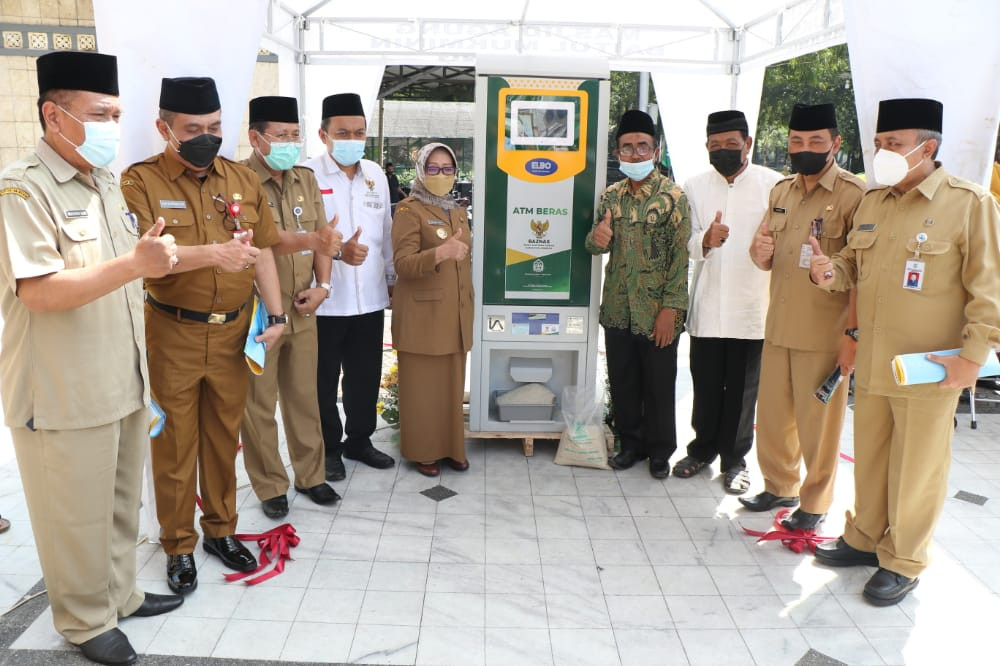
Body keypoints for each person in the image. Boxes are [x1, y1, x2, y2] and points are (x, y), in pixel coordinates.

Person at [0, 51, 183, 665]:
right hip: (61, 389)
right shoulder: (22, 188)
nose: (112, 125)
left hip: (121, 376)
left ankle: (120, 593)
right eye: (100, 114)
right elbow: (41, 291)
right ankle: (82, 620)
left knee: (119, 501)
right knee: (73, 515)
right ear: (56, 116)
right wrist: (137, 263)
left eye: (116, 114)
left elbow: (126, 275)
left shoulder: (103, 180)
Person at [809, 98, 1000, 606]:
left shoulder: (969, 203)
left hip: (930, 368)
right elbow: (853, 265)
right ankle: (864, 538)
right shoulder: (875, 202)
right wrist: (831, 271)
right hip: (874, 360)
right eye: (878, 145)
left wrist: (972, 357)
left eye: (893, 145)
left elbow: (991, 288)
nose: (883, 154)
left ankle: (904, 559)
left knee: (917, 468)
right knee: (872, 458)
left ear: (928, 147)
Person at [121, 77, 287, 596]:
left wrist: (277, 317)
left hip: (236, 331)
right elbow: (144, 261)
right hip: (173, 331)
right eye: (193, 129)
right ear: (164, 128)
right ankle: (178, 544)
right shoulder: (140, 182)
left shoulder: (240, 178)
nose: (206, 137)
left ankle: (220, 530)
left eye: (215, 127)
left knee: (222, 438)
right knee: (174, 443)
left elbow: (262, 252)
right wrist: (215, 253)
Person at [741, 103, 865, 531]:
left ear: (836, 143)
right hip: (778, 327)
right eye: (796, 142)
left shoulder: (853, 195)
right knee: (773, 419)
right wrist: (758, 256)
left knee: (819, 428)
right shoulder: (781, 191)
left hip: (824, 334)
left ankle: (814, 503)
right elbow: (764, 251)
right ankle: (779, 484)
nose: (804, 149)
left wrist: (852, 335)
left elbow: (861, 274)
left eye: (815, 141)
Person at [240, 95, 344, 518]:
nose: (290, 143)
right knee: (259, 404)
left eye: (295, 136)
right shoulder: (238, 180)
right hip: (258, 315)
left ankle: (311, 475)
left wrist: (323, 286)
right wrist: (314, 243)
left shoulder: (304, 178)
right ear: (255, 137)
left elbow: (325, 235)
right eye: (281, 136)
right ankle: (270, 486)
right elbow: (261, 240)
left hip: (304, 307)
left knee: (305, 397)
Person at [672, 110, 782, 494]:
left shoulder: (775, 185)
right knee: (704, 384)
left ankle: (735, 461)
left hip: (753, 306)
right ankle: (700, 450)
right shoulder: (694, 185)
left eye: (731, 145)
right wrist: (706, 238)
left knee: (741, 392)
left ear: (747, 144)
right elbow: (683, 242)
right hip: (708, 303)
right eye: (715, 146)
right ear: (706, 147)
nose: (723, 151)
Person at [585, 109, 690, 479]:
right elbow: (595, 245)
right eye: (627, 147)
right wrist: (597, 239)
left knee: (659, 384)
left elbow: (681, 257)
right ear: (617, 154)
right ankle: (631, 444)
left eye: (642, 146)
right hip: (617, 307)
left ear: (656, 150)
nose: (634, 154)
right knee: (624, 379)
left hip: (657, 310)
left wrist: (671, 311)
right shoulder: (611, 196)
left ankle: (660, 451)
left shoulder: (673, 196)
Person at [304, 93, 396, 481]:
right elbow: (300, 236)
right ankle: (329, 447)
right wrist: (339, 252)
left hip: (370, 297)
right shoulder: (304, 173)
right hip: (325, 299)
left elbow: (386, 235)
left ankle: (360, 439)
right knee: (323, 380)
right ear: (323, 134)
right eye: (343, 132)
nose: (352, 139)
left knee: (365, 375)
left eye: (359, 132)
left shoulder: (375, 174)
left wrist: (391, 281)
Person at [391, 142, 473, 476]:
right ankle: (423, 451)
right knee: (423, 391)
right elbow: (403, 264)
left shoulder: (456, 209)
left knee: (451, 388)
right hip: (423, 318)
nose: (441, 175)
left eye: (448, 168)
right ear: (422, 171)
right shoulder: (409, 210)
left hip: (454, 315)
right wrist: (440, 253)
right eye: (433, 168)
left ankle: (452, 448)